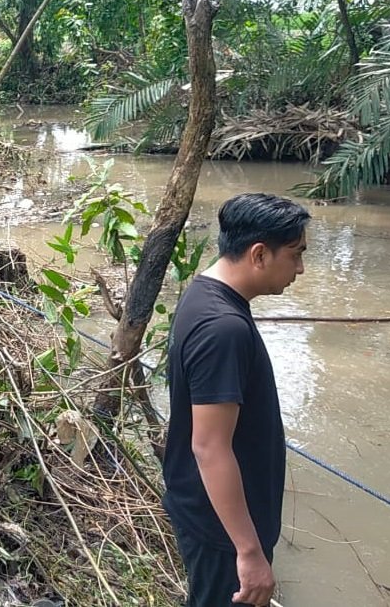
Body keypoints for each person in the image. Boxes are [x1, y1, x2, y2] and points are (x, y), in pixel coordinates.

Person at [163, 193, 310, 607]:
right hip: (222, 532)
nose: (300, 268)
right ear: (259, 254)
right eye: (296, 254)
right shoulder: (223, 328)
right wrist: (248, 551)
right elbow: (209, 448)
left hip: (209, 515)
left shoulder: (203, 294)